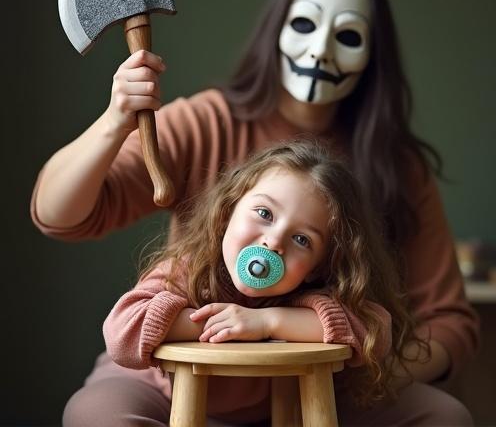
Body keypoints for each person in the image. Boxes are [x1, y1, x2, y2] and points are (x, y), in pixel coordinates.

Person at [31, 0, 479, 425]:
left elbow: (435, 323)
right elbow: (60, 216)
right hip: (172, 383)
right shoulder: (205, 138)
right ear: (225, 207)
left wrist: (336, 360)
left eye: (348, 36)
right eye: (305, 24)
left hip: (318, 382)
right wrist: (114, 122)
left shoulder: (394, 169)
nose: (321, 51)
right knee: (96, 416)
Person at [103, 140, 416, 424]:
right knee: (97, 413)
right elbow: (122, 332)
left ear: (317, 268)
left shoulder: (308, 294)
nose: (275, 241)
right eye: (264, 213)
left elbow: (375, 329)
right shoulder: (187, 270)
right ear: (227, 213)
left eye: (302, 239)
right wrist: (228, 325)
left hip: (281, 412)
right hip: (171, 398)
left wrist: (268, 321)